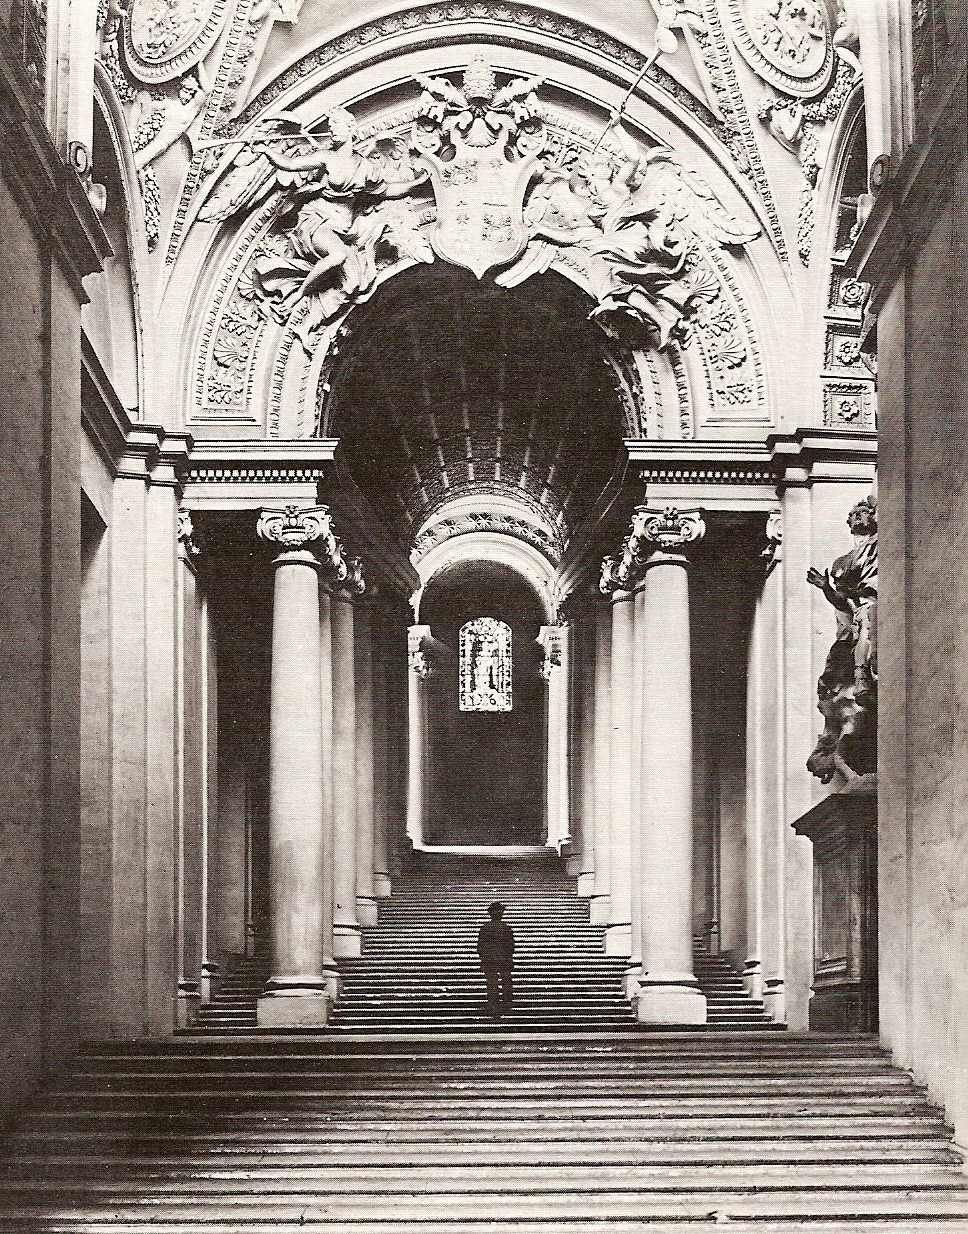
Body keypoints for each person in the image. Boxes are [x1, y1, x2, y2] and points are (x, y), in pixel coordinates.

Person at [477, 902, 514, 1020]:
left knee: (492, 982)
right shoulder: (506, 928)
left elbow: (480, 946)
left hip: (489, 959)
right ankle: (507, 1004)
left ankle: (494, 1004)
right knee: (506, 981)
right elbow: (511, 946)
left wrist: (484, 957)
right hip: (503, 959)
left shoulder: (485, 928)